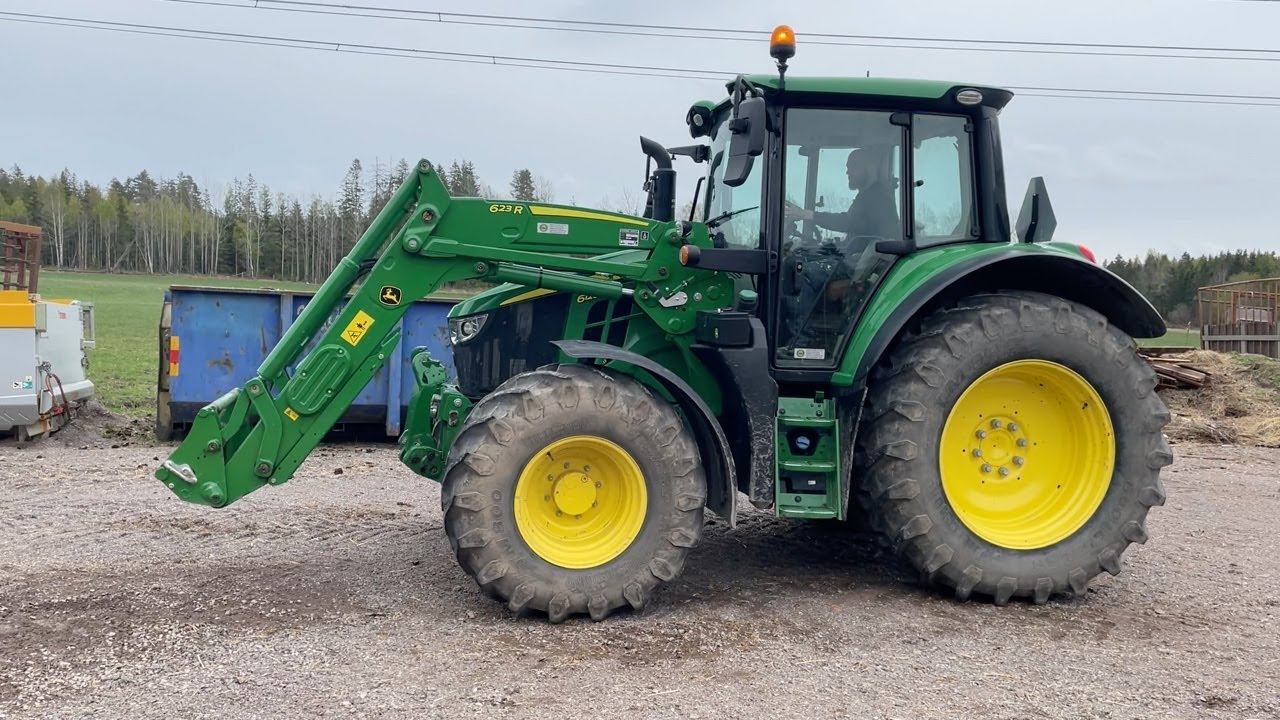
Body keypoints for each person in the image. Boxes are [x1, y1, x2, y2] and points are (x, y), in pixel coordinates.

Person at [785, 146, 900, 241]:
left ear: (870, 168)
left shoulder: (878, 197)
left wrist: (808, 214)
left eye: (854, 167)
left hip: (871, 258)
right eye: (847, 167)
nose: (847, 172)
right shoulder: (866, 195)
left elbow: (849, 222)